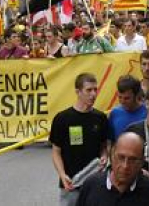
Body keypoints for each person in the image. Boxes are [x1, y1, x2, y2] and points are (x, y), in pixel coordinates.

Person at [50, 73, 109, 206]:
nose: (93, 94)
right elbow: (56, 151)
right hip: (71, 184)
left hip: (95, 183)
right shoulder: (62, 118)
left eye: (95, 89)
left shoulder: (100, 118)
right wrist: (62, 174)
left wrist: (104, 156)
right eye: (89, 90)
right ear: (78, 92)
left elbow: (104, 147)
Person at [76, 132, 149, 206]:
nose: (125, 166)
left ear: (142, 162)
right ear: (111, 155)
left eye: (133, 160)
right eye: (121, 157)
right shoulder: (91, 185)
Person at [108, 75, 147, 142]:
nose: (122, 101)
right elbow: (110, 141)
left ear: (137, 95)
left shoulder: (148, 113)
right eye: (120, 97)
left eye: (127, 98)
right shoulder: (114, 113)